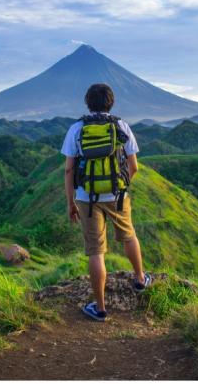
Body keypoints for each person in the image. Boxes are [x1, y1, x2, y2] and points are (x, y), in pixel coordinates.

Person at [60, 83, 151, 322]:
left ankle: (100, 309)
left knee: (96, 251)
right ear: (111, 102)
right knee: (129, 235)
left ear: (87, 102)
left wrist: (71, 202)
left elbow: (69, 170)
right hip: (117, 196)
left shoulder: (76, 128)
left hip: (86, 198)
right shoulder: (121, 126)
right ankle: (140, 279)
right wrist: (120, 186)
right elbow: (134, 167)